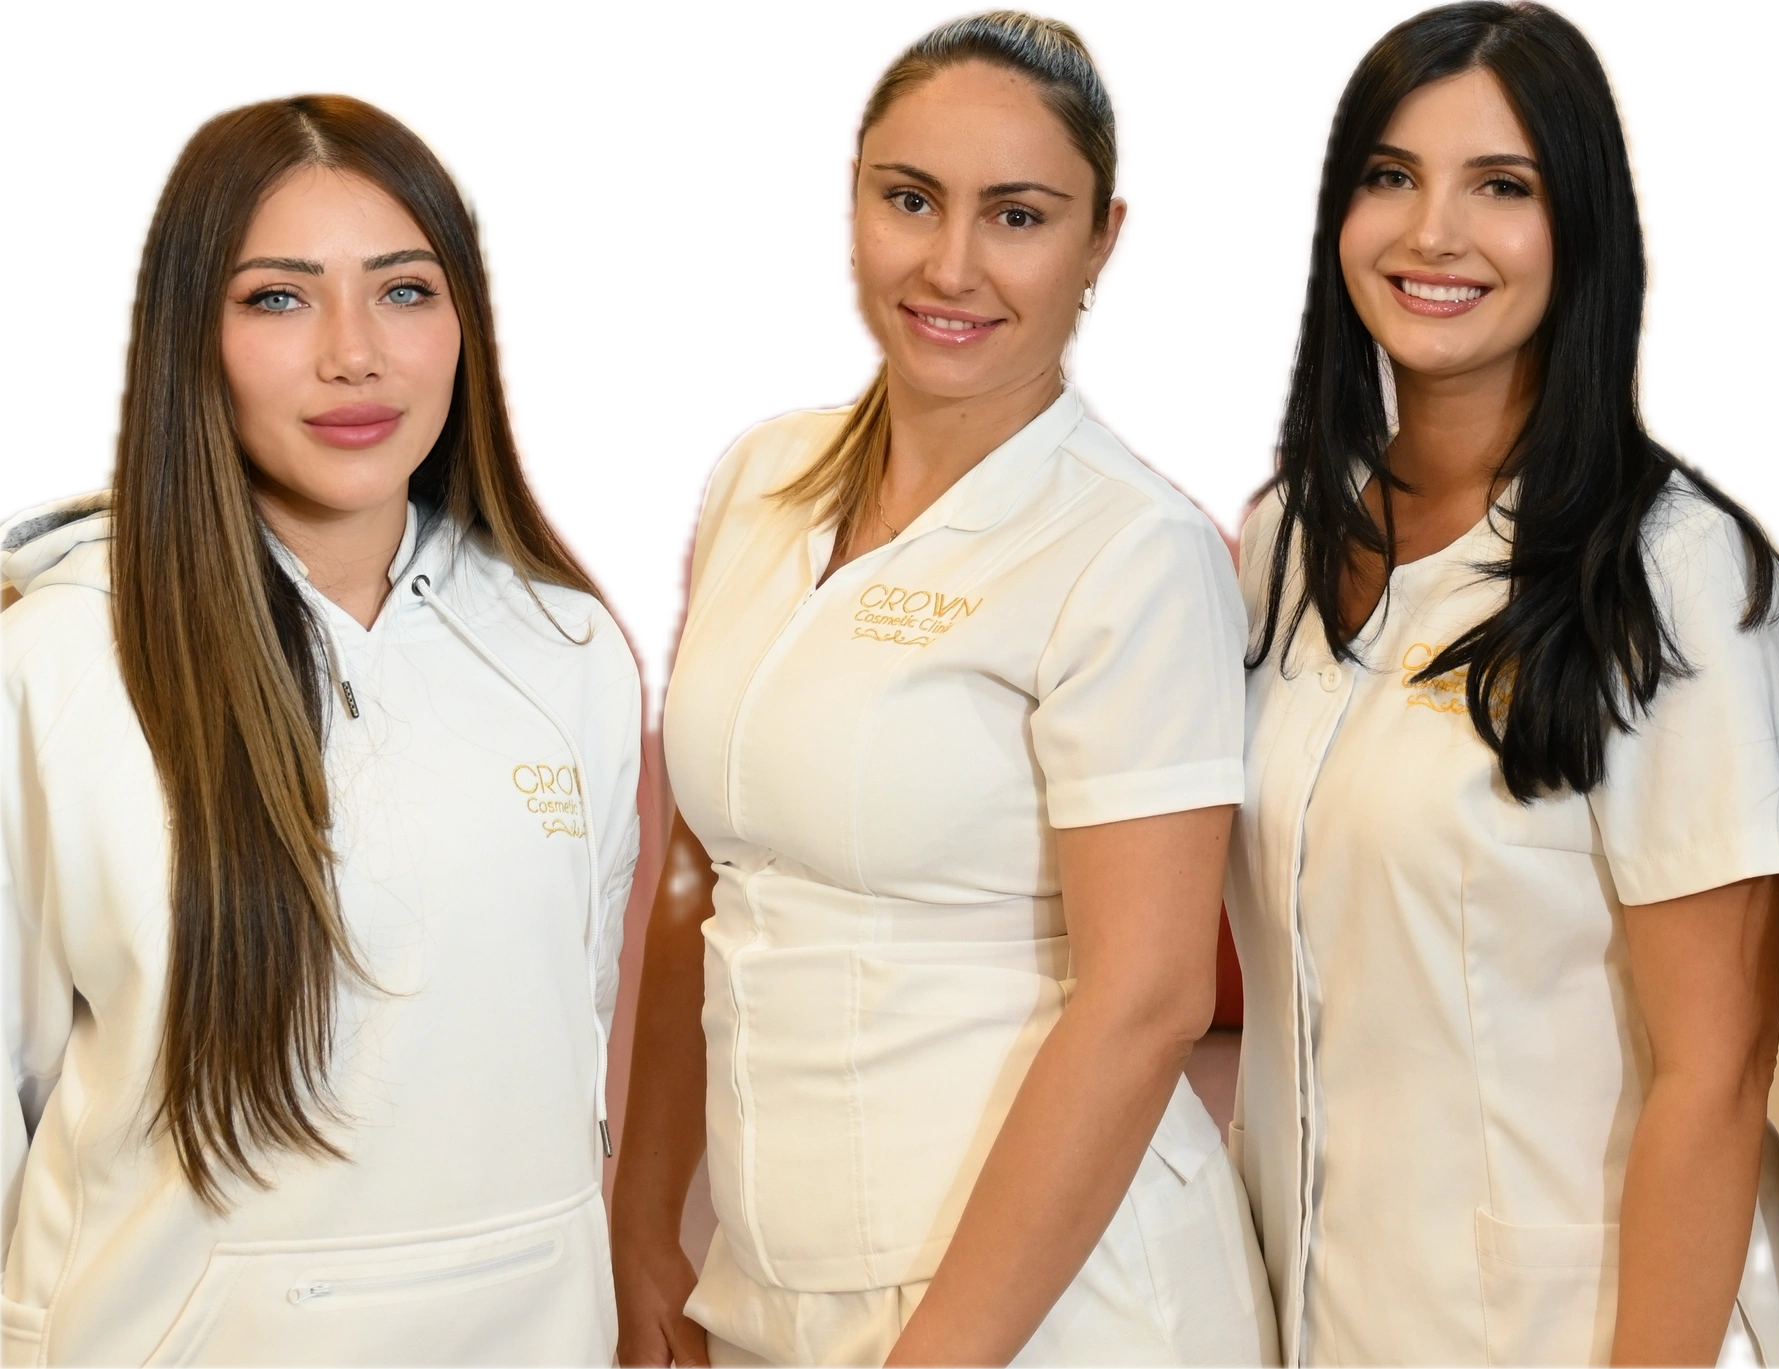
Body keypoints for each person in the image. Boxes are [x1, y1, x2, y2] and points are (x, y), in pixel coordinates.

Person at [606, 8, 1278, 1368]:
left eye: (1017, 216)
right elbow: (701, 877)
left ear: (1103, 244)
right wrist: (638, 1220)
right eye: (910, 199)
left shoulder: (1132, 554)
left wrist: (942, 1357)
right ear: (852, 211)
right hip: (774, 1287)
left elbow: (1146, 998)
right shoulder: (754, 484)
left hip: (1051, 1312)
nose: (952, 265)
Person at [0, 88, 643, 1367]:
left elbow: (575, 1041)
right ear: (191, 334)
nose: (356, 354)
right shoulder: (56, 659)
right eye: (279, 298)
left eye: (405, 291)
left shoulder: (566, 650)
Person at [1224, 4, 1779, 1366]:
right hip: (1337, 1308)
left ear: (1584, 228)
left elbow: (1716, 1075)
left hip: (1595, 1323)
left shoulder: (1675, 576)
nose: (1435, 233)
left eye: (1503, 186)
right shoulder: (1282, 545)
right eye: (1390, 176)